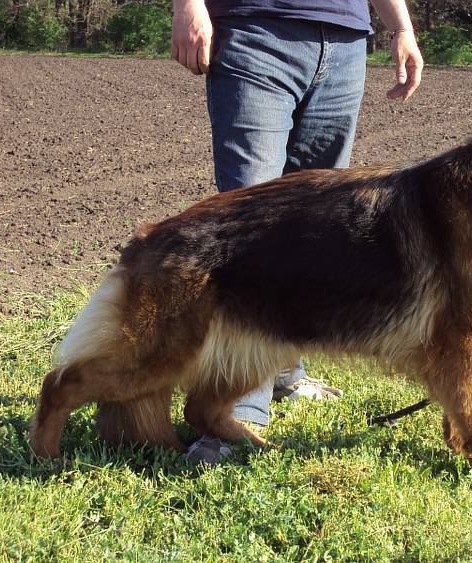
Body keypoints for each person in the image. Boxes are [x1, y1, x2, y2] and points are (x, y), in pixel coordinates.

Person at [171, 0, 423, 463]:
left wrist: (401, 27)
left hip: (345, 42)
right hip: (257, 31)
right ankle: (236, 411)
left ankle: (285, 371)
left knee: (316, 230)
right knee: (252, 229)